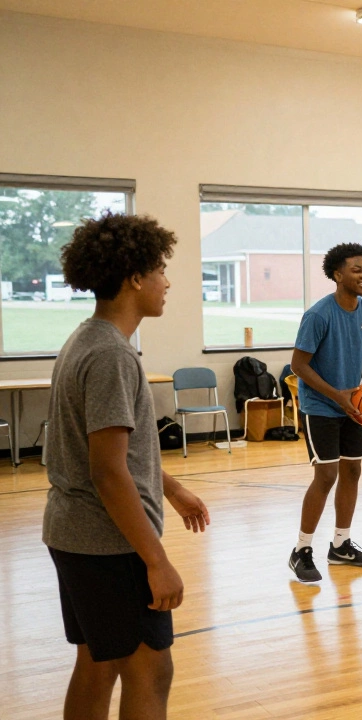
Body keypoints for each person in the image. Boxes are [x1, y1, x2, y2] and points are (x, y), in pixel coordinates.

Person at [44, 212, 211, 719]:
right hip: (108, 545)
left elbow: (114, 453)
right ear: (135, 278)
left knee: (98, 666)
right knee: (150, 672)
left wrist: (172, 487)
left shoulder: (85, 338)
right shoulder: (113, 356)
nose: (167, 282)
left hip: (75, 536)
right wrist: (156, 562)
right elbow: (108, 471)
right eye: (159, 270)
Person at [288, 243, 362, 583]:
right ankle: (301, 549)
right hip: (320, 406)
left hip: (352, 405)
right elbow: (299, 365)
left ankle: (341, 545)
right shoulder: (318, 315)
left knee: (353, 471)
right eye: (357, 269)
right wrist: (337, 396)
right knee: (326, 476)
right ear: (338, 275)